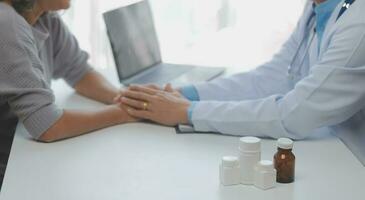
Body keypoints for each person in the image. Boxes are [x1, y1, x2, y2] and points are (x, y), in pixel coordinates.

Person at [118, 0, 365, 140]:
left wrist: (188, 112)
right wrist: (184, 95)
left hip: (353, 164)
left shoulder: (358, 21)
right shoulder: (319, 7)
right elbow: (274, 75)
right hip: (330, 147)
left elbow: (295, 114)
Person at [0, 0, 135, 189]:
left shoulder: (45, 18)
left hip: (21, 156)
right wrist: (123, 113)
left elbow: (79, 72)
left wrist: (126, 98)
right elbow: (47, 125)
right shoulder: (5, 22)